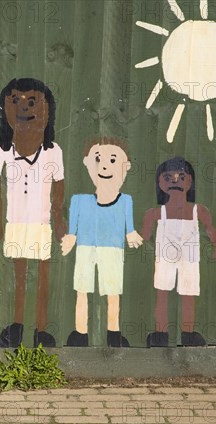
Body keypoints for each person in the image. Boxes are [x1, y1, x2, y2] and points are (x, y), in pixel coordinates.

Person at [0, 78, 65, 348]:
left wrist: (59, 221)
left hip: (41, 223)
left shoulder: (53, 152)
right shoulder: (0, 151)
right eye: (15, 102)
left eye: (32, 102)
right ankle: (18, 324)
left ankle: (41, 328)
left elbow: (59, 188)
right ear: (4, 110)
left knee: (42, 274)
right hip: (15, 222)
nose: (24, 108)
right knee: (18, 275)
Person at [61, 137, 143, 347]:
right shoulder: (79, 201)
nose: (105, 166)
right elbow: (73, 227)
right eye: (98, 159)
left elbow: (129, 227)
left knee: (112, 291)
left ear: (127, 166)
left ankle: (113, 333)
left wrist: (131, 233)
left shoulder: (126, 201)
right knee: (82, 289)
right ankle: (81, 333)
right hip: (85, 247)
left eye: (113, 160)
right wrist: (71, 236)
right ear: (87, 162)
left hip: (113, 248)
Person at [140, 157, 216, 347]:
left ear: (190, 181)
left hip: (189, 257)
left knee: (188, 295)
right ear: (159, 182)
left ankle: (188, 334)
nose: (175, 180)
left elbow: (211, 231)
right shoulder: (156, 213)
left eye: (181, 176)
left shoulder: (199, 211)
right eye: (168, 177)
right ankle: (161, 333)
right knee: (162, 293)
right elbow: (144, 234)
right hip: (165, 256)